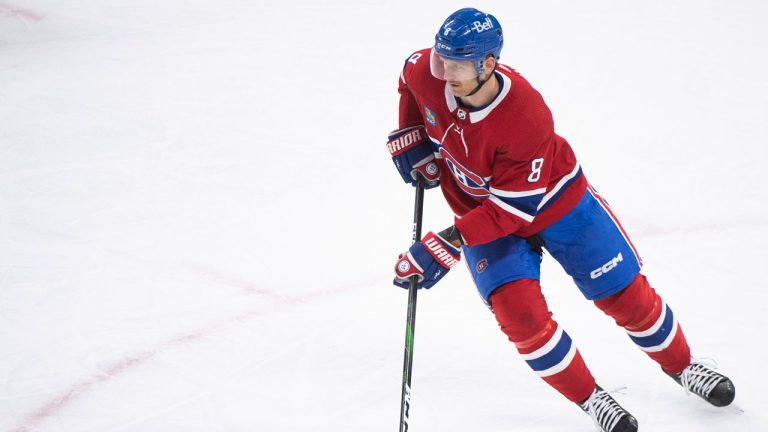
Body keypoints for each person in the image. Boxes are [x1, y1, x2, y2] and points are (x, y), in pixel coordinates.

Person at [385, 8, 735, 432]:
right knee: (523, 321)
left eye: (456, 65)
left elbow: (513, 211)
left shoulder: (525, 115)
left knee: (624, 296)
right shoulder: (429, 71)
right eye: (442, 61)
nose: (444, 73)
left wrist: (448, 240)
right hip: (481, 216)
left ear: (488, 65)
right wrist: (411, 136)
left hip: (557, 206)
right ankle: (592, 399)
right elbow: (409, 77)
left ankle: (683, 366)